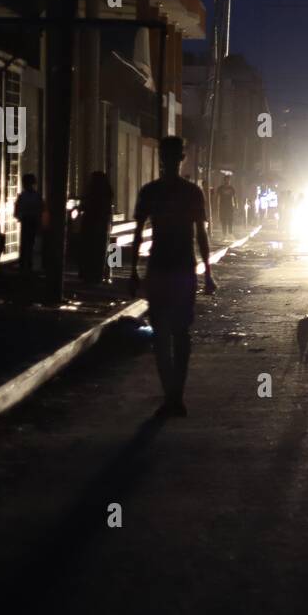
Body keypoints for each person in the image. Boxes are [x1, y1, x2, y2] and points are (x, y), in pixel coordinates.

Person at [128, 136, 216, 418]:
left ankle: (173, 394)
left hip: (170, 268)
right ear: (180, 158)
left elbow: (140, 232)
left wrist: (209, 273)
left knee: (170, 333)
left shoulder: (157, 191)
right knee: (175, 333)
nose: (170, 161)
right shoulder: (186, 192)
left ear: (174, 159)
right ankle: (173, 394)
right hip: (173, 268)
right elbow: (139, 231)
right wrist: (132, 271)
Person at [79, 171, 114, 284]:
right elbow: (108, 210)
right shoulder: (107, 193)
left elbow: (83, 206)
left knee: (89, 249)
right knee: (99, 250)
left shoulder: (90, 193)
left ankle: (88, 274)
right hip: (102, 224)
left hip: (90, 224)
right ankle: (97, 274)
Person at [14, 173, 43, 274]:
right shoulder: (36, 196)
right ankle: (28, 263)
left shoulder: (23, 196)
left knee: (26, 243)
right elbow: (41, 209)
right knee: (30, 243)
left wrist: (19, 216)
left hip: (27, 220)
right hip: (31, 220)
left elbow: (17, 209)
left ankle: (25, 263)